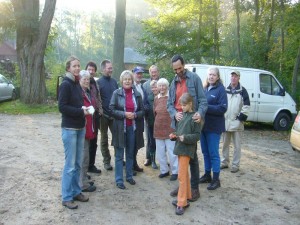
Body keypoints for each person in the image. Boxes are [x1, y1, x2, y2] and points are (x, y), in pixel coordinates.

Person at [167, 54, 207, 201]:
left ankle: (194, 188)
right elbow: (169, 104)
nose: (178, 72)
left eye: (180, 68)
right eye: (175, 70)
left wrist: (200, 113)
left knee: (192, 156)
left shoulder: (194, 79)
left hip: (191, 121)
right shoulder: (174, 82)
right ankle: (183, 185)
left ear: (184, 65)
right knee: (180, 154)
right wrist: (173, 114)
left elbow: (203, 101)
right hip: (178, 122)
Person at [58, 56, 89, 209]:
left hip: (80, 128)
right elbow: (62, 107)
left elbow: (77, 104)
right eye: (74, 66)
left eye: (78, 65)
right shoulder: (66, 84)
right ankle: (66, 196)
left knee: (77, 163)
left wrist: (84, 111)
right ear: (68, 68)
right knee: (70, 165)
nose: (77, 68)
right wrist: (80, 111)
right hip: (69, 129)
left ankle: (76, 191)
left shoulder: (77, 84)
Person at [109, 70, 145, 189]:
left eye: (129, 79)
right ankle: (119, 179)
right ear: (122, 81)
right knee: (119, 155)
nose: (127, 81)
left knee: (130, 153)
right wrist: (124, 114)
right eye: (125, 79)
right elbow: (111, 110)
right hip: (120, 128)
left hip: (132, 128)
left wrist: (135, 115)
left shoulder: (137, 94)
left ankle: (129, 176)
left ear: (132, 80)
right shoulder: (116, 93)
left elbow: (142, 111)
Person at [170, 93, 202, 215]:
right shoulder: (182, 116)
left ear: (190, 104)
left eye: (184, 105)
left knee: (182, 176)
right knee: (183, 174)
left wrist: (185, 138)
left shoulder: (195, 118)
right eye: (181, 105)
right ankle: (187, 196)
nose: (181, 107)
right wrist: (174, 136)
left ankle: (181, 203)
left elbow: (197, 136)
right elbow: (179, 131)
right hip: (180, 148)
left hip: (187, 150)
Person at [199, 67, 227, 190]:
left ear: (217, 76)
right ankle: (207, 175)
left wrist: (206, 107)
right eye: (209, 74)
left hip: (214, 127)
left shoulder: (221, 90)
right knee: (205, 152)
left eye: (213, 75)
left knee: (213, 153)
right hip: (203, 126)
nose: (211, 77)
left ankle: (216, 179)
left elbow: (222, 108)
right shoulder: (204, 88)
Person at [221, 70, 250, 173]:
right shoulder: (225, 89)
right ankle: (224, 162)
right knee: (225, 144)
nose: (233, 78)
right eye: (232, 76)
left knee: (237, 146)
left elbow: (246, 106)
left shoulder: (243, 91)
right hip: (226, 122)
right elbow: (221, 103)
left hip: (237, 123)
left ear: (239, 78)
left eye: (235, 76)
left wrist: (240, 118)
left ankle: (235, 165)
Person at [154, 78, 178, 181]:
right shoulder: (156, 98)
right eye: (160, 86)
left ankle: (175, 171)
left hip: (170, 129)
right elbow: (154, 112)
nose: (162, 88)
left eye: (164, 85)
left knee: (172, 152)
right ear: (158, 87)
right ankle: (164, 170)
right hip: (158, 128)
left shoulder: (171, 97)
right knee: (160, 152)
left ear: (167, 87)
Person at [97, 60, 118, 171]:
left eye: (111, 68)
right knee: (104, 139)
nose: (111, 70)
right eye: (109, 68)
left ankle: (118, 158)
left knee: (117, 138)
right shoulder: (99, 83)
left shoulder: (114, 82)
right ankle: (106, 161)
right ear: (103, 69)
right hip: (103, 116)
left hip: (114, 115)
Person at [78, 70, 97, 192]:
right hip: (82, 128)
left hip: (88, 128)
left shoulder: (86, 92)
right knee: (83, 157)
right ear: (79, 80)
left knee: (86, 156)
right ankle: (82, 184)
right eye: (84, 79)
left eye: (88, 79)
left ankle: (84, 178)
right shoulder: (79, 93)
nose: (86, 81)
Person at [85, 61, 103, 174]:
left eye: (93, 70)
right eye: (89, 69)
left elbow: (98, 97)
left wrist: (100, 110)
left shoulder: (95, 83)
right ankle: (85, 168)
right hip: (86, 116)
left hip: (95, 115)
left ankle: (91, 165)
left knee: (94, 141)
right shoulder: (82, 82)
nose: (91, 71)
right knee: (86, 143)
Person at [143, 65, 160, 166]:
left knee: (160, 139)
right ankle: (148, 158)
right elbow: (144, 101)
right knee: (149, 139)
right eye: (152, 72)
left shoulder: (162, 82)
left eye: (155, 72)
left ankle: (159, 159)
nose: (154, 74)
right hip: (149, 118)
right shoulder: (145, 85)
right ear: (149, 73)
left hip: (160, 119)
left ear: (158, 72)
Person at [132, 66, 148, 172]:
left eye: (141, 73)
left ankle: (134, 163)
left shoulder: (142, 87)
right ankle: (131, 165)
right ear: (133, 74)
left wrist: (145, 108)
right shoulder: (130, 86)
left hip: (140, 119)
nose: (139, 75)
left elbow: (145, 102)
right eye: (137, 73)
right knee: (131, 143)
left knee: (137, 143)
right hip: (132, 119)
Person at [145, 79, 159, 169]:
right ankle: (153, 160)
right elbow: (145, 107)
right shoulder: (148, 97)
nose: (154, 88)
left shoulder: (162, 97)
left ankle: (162, 159)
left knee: (161, 143)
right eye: (152, 87)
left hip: (161, 124)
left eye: (155, 86)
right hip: (151, 123)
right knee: (152, 142)